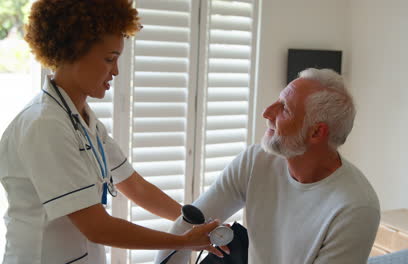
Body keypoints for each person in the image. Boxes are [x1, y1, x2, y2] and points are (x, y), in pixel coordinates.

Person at [0, 0, 221, 263]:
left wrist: (192, 222)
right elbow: (97, 227)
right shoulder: (44, 125)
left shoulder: (82, 119)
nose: (115, 71)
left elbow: (134, 185)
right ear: (73, 50)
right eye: (109, 59)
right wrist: (183, 242)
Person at [155, 68, 381, 264]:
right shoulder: (255, 162)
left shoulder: (355, 207)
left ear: (316, 132)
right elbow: (188, 227)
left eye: (285, 108)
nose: (267, 112)